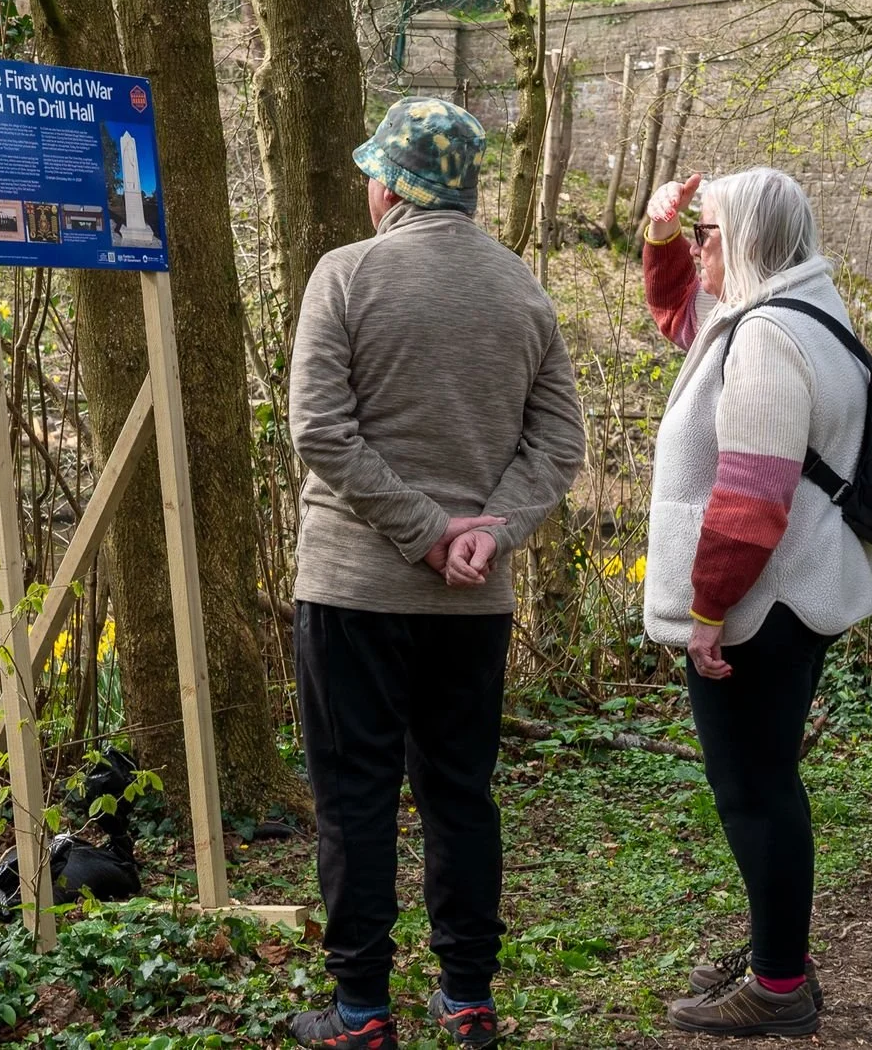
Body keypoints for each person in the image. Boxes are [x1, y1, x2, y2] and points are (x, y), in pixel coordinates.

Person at [285, 97, 586, 1050]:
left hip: (354, 589)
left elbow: (319, 428)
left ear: (393, 186)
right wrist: (485, 537)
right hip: (473, 600)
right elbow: (560, 441)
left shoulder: (346, 275)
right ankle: (468, 996)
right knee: (462, 791)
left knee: (357, 796)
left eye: (375, 170)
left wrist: (419, 531)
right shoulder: (521, 290)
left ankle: (361, 1012)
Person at [639, 168, 872, 1039]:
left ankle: (778, 986)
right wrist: (662, 235)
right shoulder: (797, 311)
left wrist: (709, 611)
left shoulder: (768, 338)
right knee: (764, 782)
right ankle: (782, 953)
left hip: (761, 605)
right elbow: (677, 313)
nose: (695, 245)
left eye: (705, 232)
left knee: (754, 789)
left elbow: (752, 498)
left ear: (745, 243)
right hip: (789, 594)